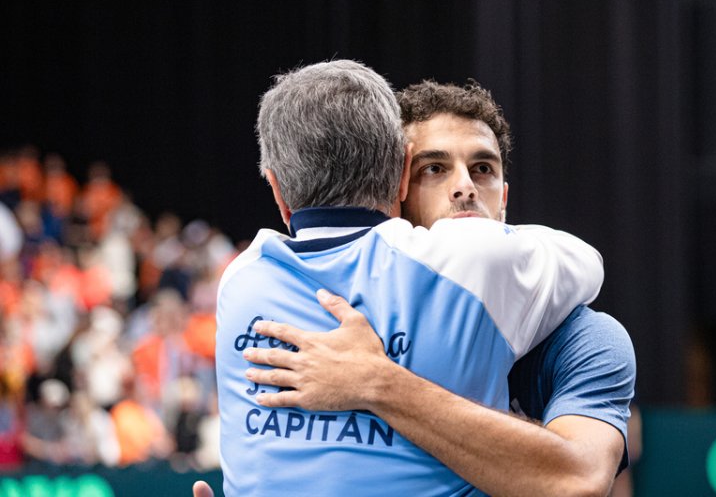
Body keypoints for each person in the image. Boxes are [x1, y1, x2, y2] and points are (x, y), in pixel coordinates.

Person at [214, 61, 605, 495]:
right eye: (433, 169)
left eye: (482, 169)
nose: (464, 189)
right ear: (401, 177)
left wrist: (377, 381)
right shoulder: (470, 259)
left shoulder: (238, 281)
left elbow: (580, 478)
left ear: (277, 191)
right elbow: (587, 261)